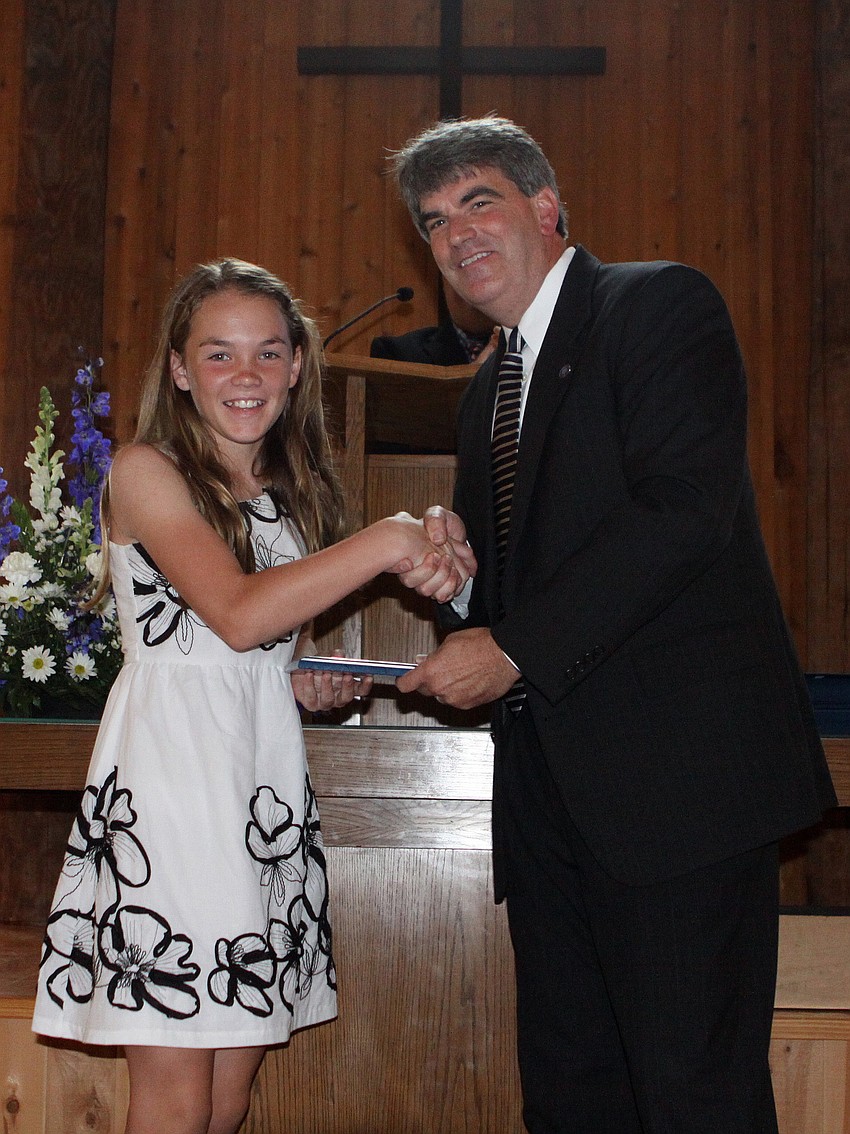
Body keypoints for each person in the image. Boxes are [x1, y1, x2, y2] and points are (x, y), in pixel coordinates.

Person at [390, 116, 837, 1133]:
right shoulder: (482, 401)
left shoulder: (654, 305)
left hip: (676, 793)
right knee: (571, 1096)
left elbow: (682, 510)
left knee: (693, 1097)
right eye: (431, 220)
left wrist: (505, 646)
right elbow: (517, 595)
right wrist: (456, 585)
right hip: (549, 799)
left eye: (478, 200)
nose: (454, 232)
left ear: (547, 209)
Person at [30, 258, 474, 1134]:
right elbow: (234, 615)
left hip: (256, 789)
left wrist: (307, 675)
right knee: (175, 1094)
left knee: (230, 1093)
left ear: (298, 366)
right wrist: (391, 537)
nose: (246, 376)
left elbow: (260, 651)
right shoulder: (145, 470)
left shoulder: (291, 498)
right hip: (171, 791)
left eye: (269, 354)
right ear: (180, 369)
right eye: (220, 354)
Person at [371, 279, 497, 365]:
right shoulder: (397, 355)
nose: (474, 291)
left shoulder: (515, 343)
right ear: (443, 283)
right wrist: (477, 376)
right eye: (463, 277)